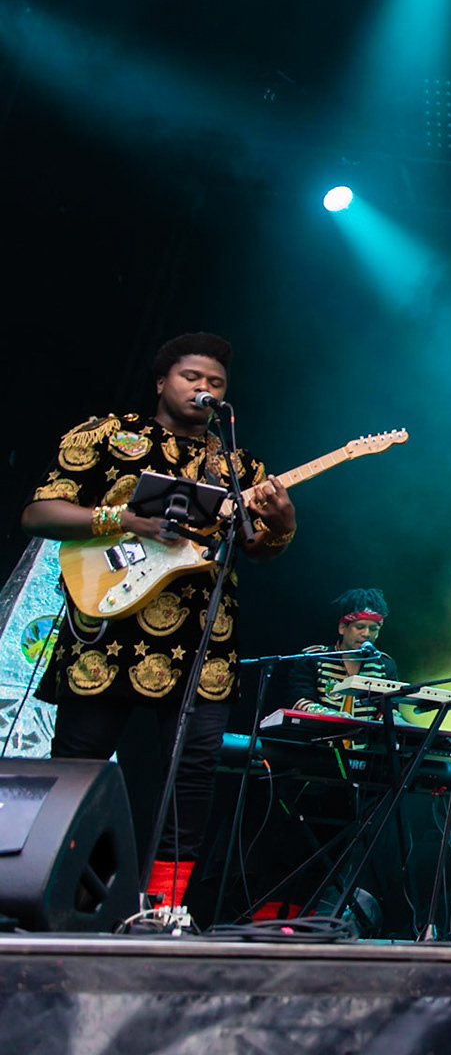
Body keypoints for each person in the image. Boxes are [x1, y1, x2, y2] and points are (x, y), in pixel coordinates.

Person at [20, 332, 296, 911]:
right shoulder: (107, 434)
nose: (204, 388)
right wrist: (124, 519)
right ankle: (63, 898)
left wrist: (283, 523)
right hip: (107, 628)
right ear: (161, 381)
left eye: (215, 382)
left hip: (202, 640)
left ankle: (165, 907)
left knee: (193, 773)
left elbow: (257, 549)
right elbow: (40, 512)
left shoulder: (239, 465)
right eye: (192, 377)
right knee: (78, 765)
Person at [287, 589, 399, 717]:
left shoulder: (385, 665)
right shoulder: (313, 658)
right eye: (359, 627)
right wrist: (331, 715)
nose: (366, 634)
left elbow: (391, 709)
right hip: (320, 729)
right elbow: (299, 699)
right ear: (342, 628)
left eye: (373, 629)